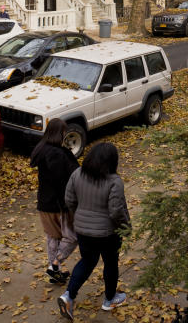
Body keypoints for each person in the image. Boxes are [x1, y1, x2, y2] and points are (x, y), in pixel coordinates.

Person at [58, 142, 130, 320]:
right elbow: (116, 211)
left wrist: (80, 216)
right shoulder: (114, 181)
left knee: (87, 261)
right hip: (108, 234)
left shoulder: (77, 174)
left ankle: (68, 296)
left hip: (83, 231)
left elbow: (69, 199)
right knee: (111, 263)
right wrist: (125, 228)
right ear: (112, 161)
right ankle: (110, 299)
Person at [29, 119, 79, 285]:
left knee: (53, 237)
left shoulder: (40, 149)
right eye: (64, 132)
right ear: (60, 133)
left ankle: (54, 271)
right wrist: (69, 203)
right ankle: (56, 263)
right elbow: (63, 180)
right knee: (72, 237)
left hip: (44, 203)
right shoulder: (58, 154)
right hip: (59, 204)